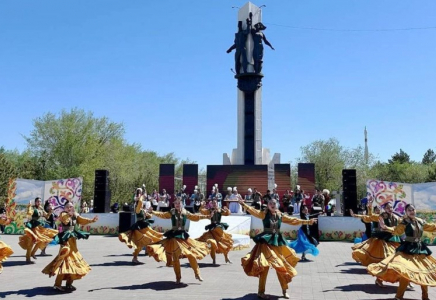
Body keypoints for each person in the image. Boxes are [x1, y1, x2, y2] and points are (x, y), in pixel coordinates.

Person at [238, 198, 317, 299]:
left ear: (277, 205)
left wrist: (308, 221)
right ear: (268, 205)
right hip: (265, 243)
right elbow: (254, 211)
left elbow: (294, 220)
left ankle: (284, 291)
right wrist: (243, 204)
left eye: (274, 203)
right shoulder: (264, 214)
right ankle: (261, 292)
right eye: (270, 203)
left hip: (277, 242)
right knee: (264, 266)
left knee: (281, 265)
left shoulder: (280, 215)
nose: (272, 204)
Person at [368, 204, 436, 300]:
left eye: (413, 209)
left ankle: (425, 297)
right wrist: (385, 227)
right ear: (406, 212)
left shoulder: (420, 221)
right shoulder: (405, 222)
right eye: (409, 210)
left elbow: (432, 227)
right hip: (408, 249)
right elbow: (397, 231)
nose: (412, 211)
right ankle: (399, 296)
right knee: (406, 272)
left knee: (423, 272)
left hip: (420, 249)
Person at [146, 197, 210, 284]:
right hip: (174, 236)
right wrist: (152, 212)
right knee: (175, 258)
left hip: (183, 237)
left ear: (181, 204)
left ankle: (197, 274)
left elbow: (195, 217)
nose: (177, 205)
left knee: (191, 255)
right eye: (175, 203)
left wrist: (206, 216)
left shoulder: (185, 212)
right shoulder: (172, 212)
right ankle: (178, 278)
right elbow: (163, 215)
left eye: (178, 203)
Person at [42, 201, 98, 292]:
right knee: (63, 261)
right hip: (65, 240)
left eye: (71, 206)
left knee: (73, 262)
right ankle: (57, 284)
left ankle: (69, 284)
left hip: (72, 240)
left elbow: (81, 220)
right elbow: (65, 220)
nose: (69, 208)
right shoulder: (63, 214)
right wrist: (69, 214)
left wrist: (92, 220)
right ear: (64, 208)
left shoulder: (75, 214)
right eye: (68, 206)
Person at [350, 200, 401, 273]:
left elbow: (403, 222)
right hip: (382, 238)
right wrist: (368, 209)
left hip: (393, 238)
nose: (390, 209)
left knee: (394, 255)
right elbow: (369, 216)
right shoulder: (382, 216)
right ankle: (381, 271)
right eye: (388, 208)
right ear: (385, 209)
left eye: (391, 207)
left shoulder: (396, 216)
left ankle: (385, 270)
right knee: (387, 255)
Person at [119, 188, 163, 264]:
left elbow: (148, 216)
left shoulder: (142, 210)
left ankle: (147, 252)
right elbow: (139, 202)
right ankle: (135, 257)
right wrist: (142, 196)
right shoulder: (137, 209)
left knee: (151, 239)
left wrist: (150, 212)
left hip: (145, 226)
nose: (142, 203)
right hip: (140, 228)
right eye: (142, 202)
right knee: (142, 243)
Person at [18, 197, 58, 264]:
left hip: (39, 227)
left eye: (40, 201)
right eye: (38, 201)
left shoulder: (41, 208)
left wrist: (50, 211)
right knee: (31, 242)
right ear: (35, 202)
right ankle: (28, 258)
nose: (39, 203)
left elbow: (47, 217)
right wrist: (29, 206)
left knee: (41, 240)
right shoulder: (33, 208)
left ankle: (33, 253)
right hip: (33, 226)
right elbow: (29, 213)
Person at [197, 199, 233, 265]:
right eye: (213, 203)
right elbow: (202, 211)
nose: (214, 204)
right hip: (212, 230)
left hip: (219, 229)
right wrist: (202, 206)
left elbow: (227, 213)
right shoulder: (209, 210)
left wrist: (227, 210)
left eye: (215, 203)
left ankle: (226, 258)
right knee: (213, 244)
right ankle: (214, 260)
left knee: (224, 244)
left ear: (217, 203)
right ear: (211, 204)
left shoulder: (220, 210)